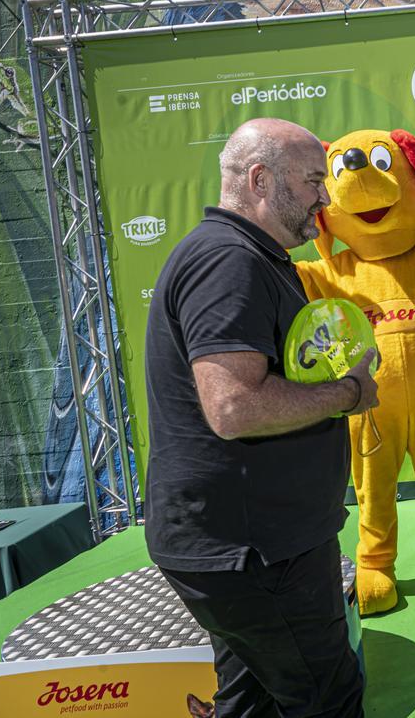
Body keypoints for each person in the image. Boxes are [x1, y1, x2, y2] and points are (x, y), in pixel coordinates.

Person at [144, 118, 377, 717]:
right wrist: (349, 394)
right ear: (259, 180)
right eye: (312, 182)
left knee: (253, 704)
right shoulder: (229, 261)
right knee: (327, 699)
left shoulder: (251, 257)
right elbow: (233, 405)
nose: (325, 197)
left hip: (250, 544)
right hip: (254, 551)